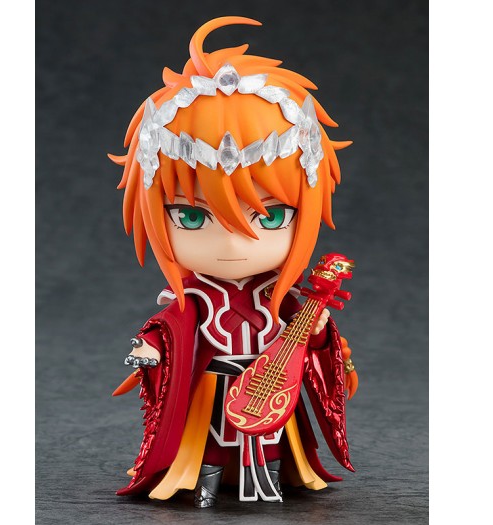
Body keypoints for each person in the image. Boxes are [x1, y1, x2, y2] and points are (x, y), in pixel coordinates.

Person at [109, 16, 358, 508]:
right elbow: (172, 327)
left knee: (271, 441)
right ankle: (203, 485)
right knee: (209, 444)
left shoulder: (279, 298)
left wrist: (319, 333)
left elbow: (319, 352)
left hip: (269, 384)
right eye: (191, 216)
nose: (233, 241)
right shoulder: (195, 296)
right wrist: (151, 349)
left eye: (271, 216)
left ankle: (268, 483)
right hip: (212, 386)